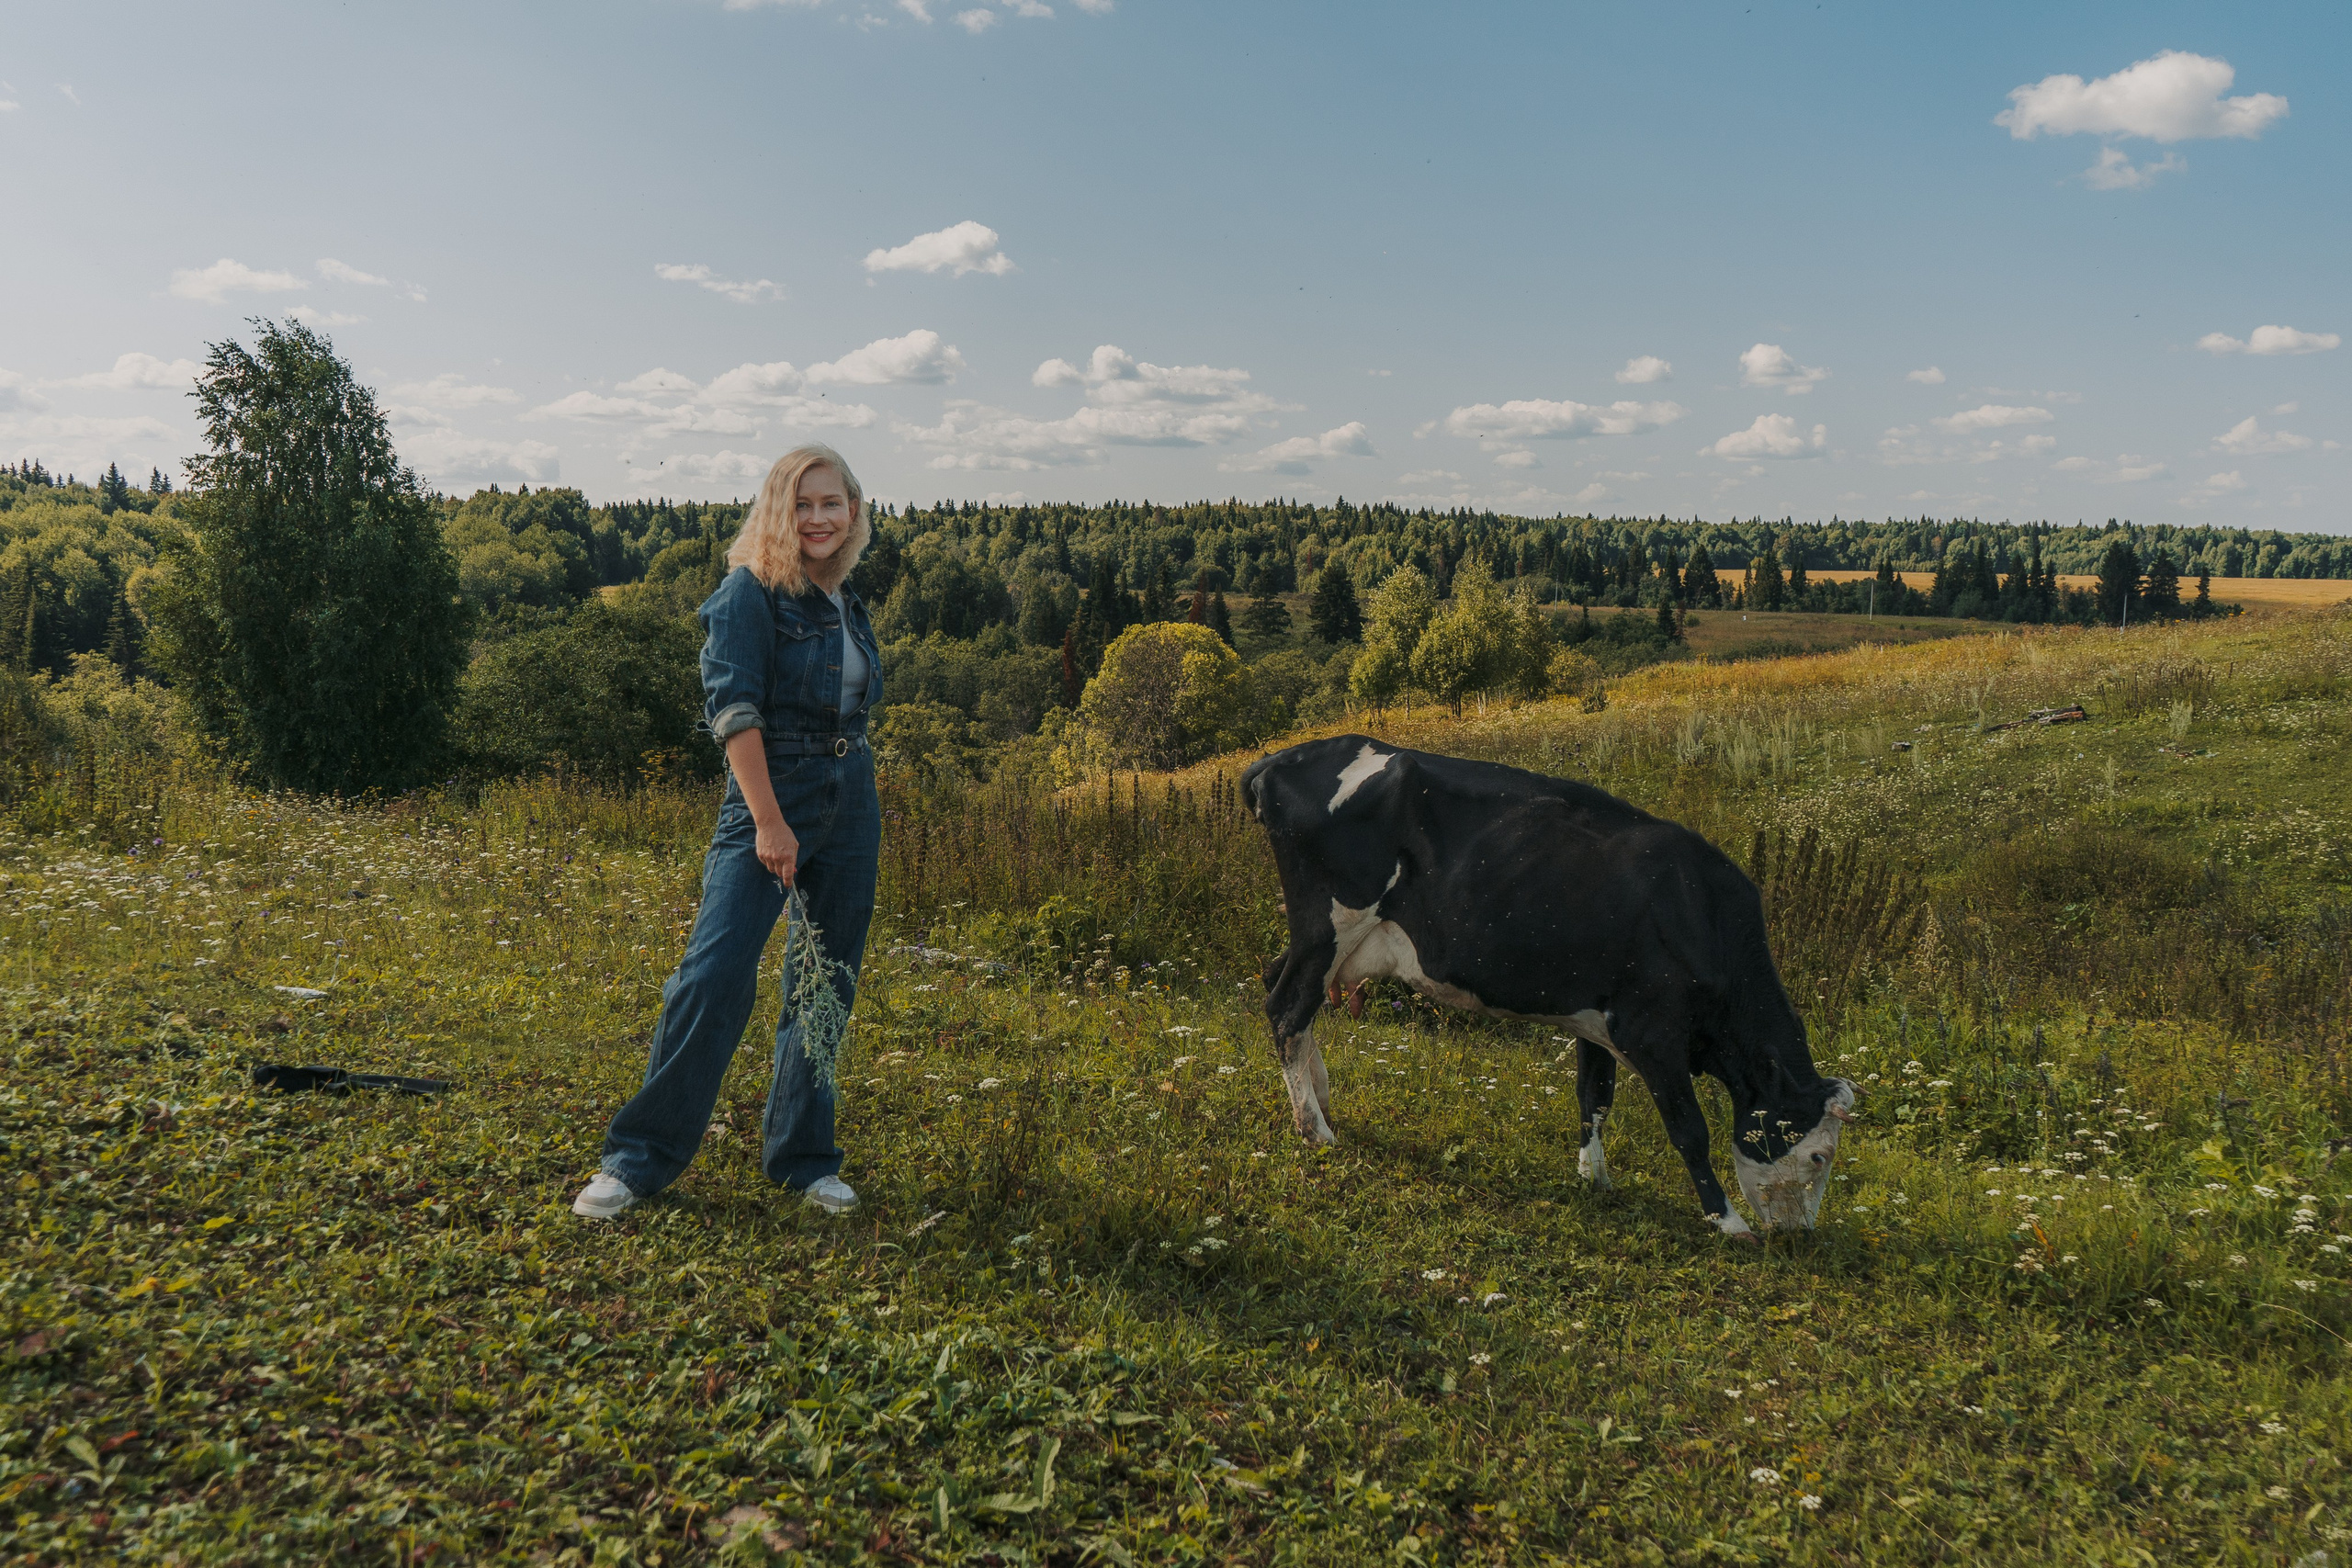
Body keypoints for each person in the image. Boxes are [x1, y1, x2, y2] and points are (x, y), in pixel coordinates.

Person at [572, 445, 883, 1220]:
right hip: (769, 796)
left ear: (853, 511)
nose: (818, 518)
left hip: (851, 796)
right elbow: (735, 712)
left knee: (824, 982)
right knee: (712, 975)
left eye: (831, 503)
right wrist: (771, 823)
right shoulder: (750, 591)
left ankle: (803, 1159)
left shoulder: (845, 599)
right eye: (802, 503)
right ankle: (637, 1159)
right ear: (778, 509)